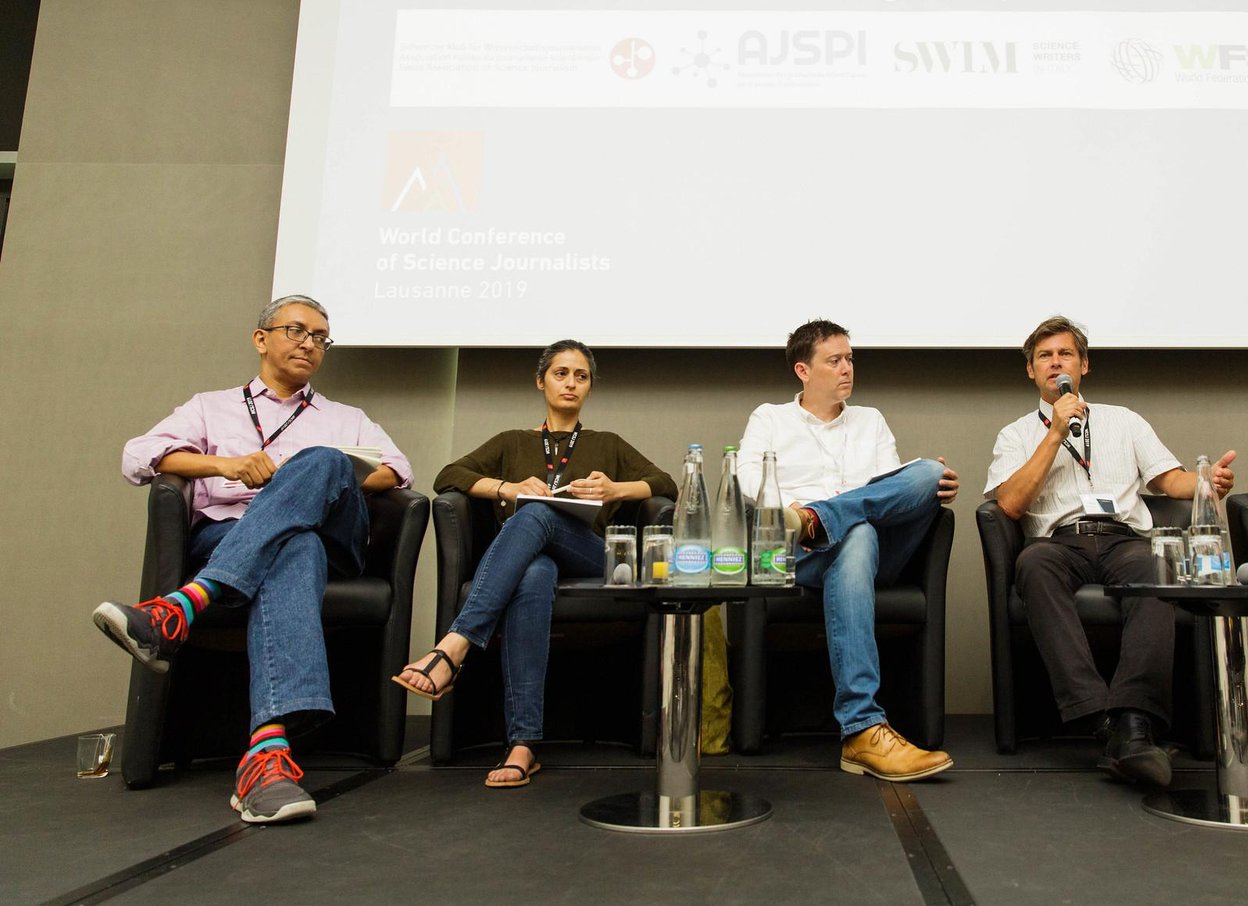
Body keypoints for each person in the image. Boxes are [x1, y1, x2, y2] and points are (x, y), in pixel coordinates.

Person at [93, 296, 412, 823]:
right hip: (230, 535)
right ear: (260, 338)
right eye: (296, 330)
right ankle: (266, 758)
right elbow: (137, 456)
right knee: (294, 546)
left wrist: (307, 478)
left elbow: (398, 471)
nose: (309, 343)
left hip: (336, 541)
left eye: (320, 337)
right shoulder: (210, 406)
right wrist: (226, 464)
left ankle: (181, 607)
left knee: (323, 463)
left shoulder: (343, 417)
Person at [393, 340, 676, 788]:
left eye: (580, 376)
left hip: (590, 556)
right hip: (532, 558)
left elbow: (666, 484)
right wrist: (507, 487)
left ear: (589, 387)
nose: (570, 383)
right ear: (541, 381)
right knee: (533, 571)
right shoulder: (512, 442)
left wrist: (614, 490)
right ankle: (523, 745)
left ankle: (455, 645)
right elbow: (449, 476)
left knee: (539, 513)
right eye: (561, 373)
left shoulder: (607, 443)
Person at [984, 316, 1236, 788]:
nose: (1055, 362)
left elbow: (1168, 479)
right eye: (1044, 356)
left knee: (1156, 567)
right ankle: (1103, 719)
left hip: (1125, 537)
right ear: (1031, 372)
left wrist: (1205, 482)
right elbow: (1011, 504)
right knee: (1032, 565)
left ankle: (1134, 719)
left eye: (1065, 354)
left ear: (1084, 365)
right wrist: (1055, 432)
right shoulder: (1016, 434)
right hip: (1059, 542)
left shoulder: (1125, 420)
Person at [735, 319, 960, 782]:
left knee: (925, 475)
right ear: (803, 370)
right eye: (834, 360)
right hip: (800, 557)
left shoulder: (870, 419)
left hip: (876, 553)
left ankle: (820, 518)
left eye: (850, 359)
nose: (846, 369)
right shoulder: (769, 418)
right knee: (857, 532)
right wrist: (788, 511)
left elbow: (888, 492)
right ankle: (863, 731)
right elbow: (745, 480)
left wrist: (916, 486)